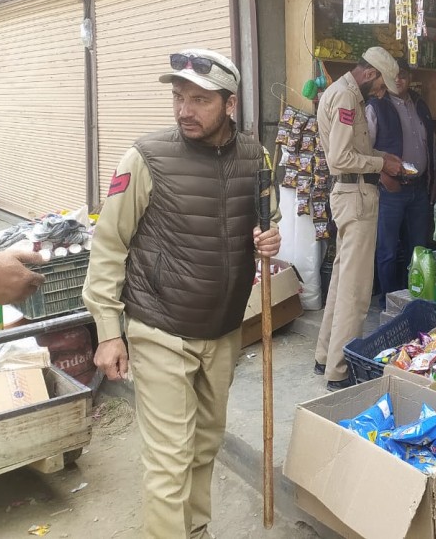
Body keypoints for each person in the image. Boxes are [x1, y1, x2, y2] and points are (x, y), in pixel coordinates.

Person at [82, 48, 281, 539]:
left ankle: (194, 530)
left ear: (229, 104)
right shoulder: (146, 157)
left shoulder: (255, 155)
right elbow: (108, 245)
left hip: (223, 331)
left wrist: (269, 237)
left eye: (199, 99)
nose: (184, 110)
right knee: (170, 457)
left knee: (205, 444)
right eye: (178, 97)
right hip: (160, 327)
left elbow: (264, 219)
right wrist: (109, 332)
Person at [314, 47, 404, 390]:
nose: (381, 92)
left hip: (350, 195)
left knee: (341, 283)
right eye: (381, 85)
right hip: (356, 196)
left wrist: (383, 156)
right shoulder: (348, 99)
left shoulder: (341, 93)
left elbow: (354, 152)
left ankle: (325, 356)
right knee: (355, 290)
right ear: (370, 74)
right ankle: (339, 371)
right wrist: (383, 165)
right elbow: (340, 158)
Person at [365, 59, 435, 308]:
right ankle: (389, 302)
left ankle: (414, 301)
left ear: (410, 76)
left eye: (403, 74)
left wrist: (430, 179)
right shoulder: (376, 106)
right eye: (392, 75)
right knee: (387, 250)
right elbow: (365, 149)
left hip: (418, 188)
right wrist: (383, 175)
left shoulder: (419, 104)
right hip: (391, 189)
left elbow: (429, 144)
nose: (398, 80)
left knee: (418, 249)